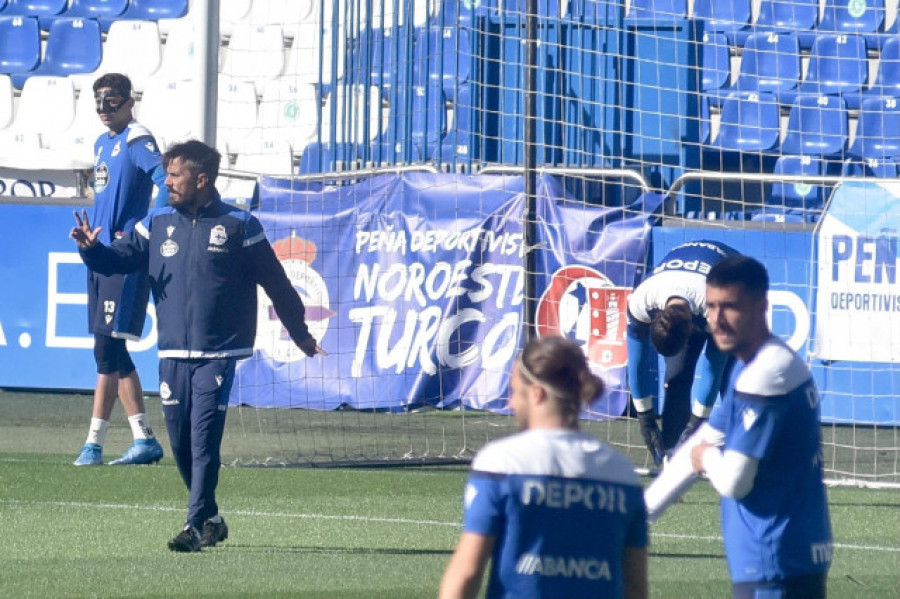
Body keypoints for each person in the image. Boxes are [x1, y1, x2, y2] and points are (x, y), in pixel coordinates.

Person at [70, 139, 327, 552]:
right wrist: (91, 249)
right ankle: (211, 517)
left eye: (175, 175)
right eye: (167, 174)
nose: (167, 182)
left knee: (204, 438)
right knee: (180, 443)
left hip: (220, 352)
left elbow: (277, 283)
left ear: (201, 179)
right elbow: (117, 260)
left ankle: (193, 527)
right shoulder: (155, 224)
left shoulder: (240, 225)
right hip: (172, 352)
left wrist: (300, 334)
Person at [646, 256, 833, 599]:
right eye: (712, 306)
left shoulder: (764, 378)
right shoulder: (762, 366)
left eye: (729, 307)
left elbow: (734, 480)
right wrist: (637, 521)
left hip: (774, 561)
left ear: (761, 307)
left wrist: (708, 459)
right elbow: (704, 440)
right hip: (786, 558)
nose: (716, 320)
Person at [439, 336, 648, 599]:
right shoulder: (623, 474)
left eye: (515, 391)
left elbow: (467, 572)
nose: (511, 404)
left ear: (537, 392)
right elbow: (636, 588)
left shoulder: (502, 463)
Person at [73, 73, 169, 467]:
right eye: (98, 102)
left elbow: (165, 181)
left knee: (106, 348)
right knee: (112, 347)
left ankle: (94, 444)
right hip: (99, 255)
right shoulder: (102, 143)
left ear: (131, 102)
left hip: (123, 257)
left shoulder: (136, 139)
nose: (103, 109)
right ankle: (143, 438)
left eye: (111, 101)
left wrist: (142, 228)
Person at [626, 239, 739, 466]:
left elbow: (713, 368)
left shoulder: (717, 308)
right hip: (686, 280)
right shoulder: (641, 300)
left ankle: (743, 456)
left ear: (691, 329)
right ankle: (671, 456)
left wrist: (698, 421)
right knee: (676, 376)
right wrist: (645, 418)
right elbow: (636, 362)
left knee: (732, 381)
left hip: (736, 282)